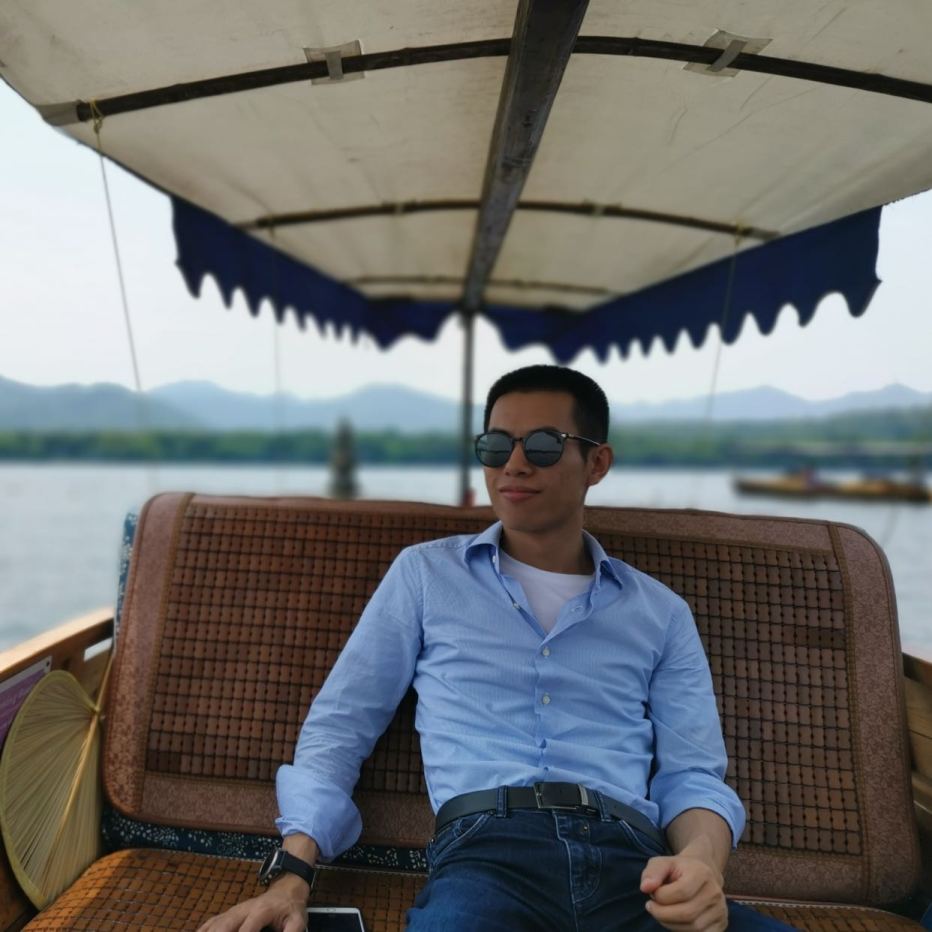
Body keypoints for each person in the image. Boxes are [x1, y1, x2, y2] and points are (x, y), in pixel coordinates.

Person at [200, 365, 793, 932]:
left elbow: (693, 775)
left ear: (597, 463)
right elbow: (342, 724)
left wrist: (702, 866)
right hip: (487, 853)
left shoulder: (661, 612)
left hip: (635, 865)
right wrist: (292, 876)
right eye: (495, 446)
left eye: (543, 445)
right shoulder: (426, 576)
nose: (513, 464)